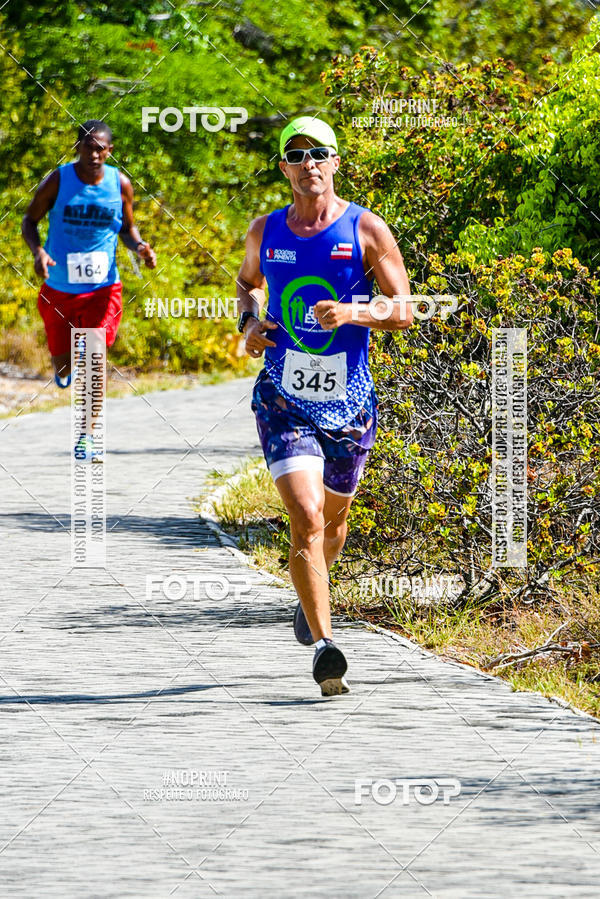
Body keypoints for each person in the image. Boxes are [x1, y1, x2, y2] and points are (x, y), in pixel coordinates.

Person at [235, 116, 413, 696]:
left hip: (350, 402)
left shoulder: (365, 229)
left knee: (331, 526)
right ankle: (327, 645)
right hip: (282, 396)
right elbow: (246, 285)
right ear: (284, 167)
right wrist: (250, 322)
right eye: (297, 154)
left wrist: (356, 312)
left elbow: (404, 309)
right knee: (307, 518)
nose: (309, 163)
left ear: (336, 163)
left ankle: (313, 591)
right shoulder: (266, 230)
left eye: (320, 153)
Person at [22, 119, 156, 458]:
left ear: (110, 151)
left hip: (103, 288)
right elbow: (29, 220)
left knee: (95, 358)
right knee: (66, 365)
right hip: (59, 288)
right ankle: (62, 368)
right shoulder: (59, 180)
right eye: (87, 145)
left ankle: (87, 434)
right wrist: (38, 252)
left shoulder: (120, 184)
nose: (94, 153)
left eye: (101, 147)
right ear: (77, 147)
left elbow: (127, 228)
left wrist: (139, 246)